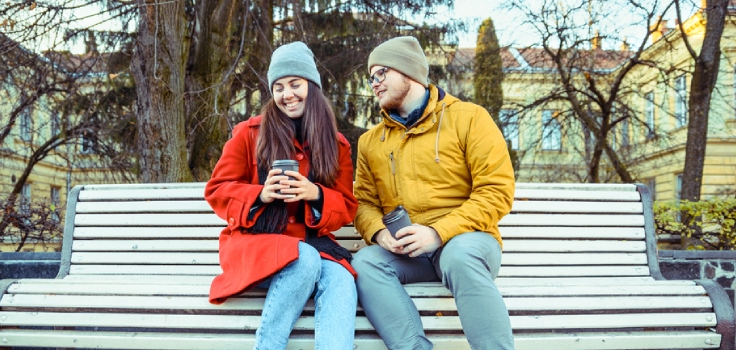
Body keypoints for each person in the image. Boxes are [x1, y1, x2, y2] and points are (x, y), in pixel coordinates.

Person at [351, 36, 516, 350]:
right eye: (371, 76)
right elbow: (363, 203)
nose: (374, 83)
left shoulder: (469, 118)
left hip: (467, 240)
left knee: (459, 256)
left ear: (409, 73)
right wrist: (379, 234)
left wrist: (439, 232)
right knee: (365, 263)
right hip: (409, 253)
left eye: (381, 73)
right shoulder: (372, 141)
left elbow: (496, 191)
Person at [205, 41, 358, 350]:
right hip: (254, 243)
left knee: (341, 278)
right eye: (278, 87)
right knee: (303, 260)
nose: (287, 94)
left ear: (311, 86)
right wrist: (261, 194)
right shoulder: (249, 134)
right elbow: (216, 190)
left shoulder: (336, 144)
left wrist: (315, 194)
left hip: (311, 245)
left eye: (294, 84)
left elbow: (346, 208)